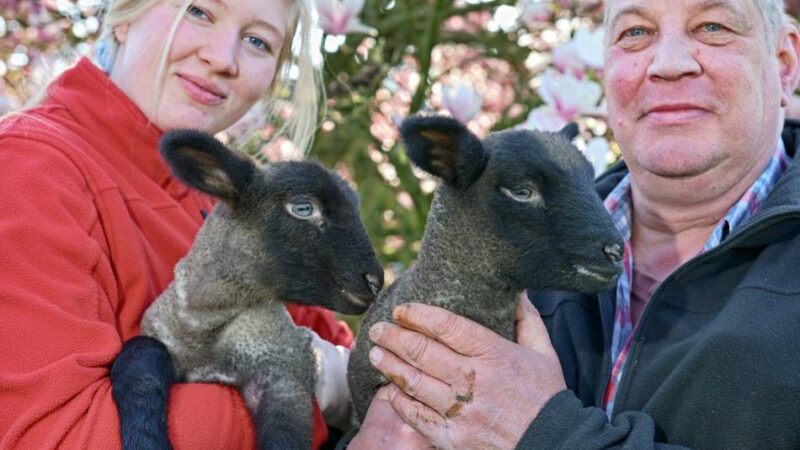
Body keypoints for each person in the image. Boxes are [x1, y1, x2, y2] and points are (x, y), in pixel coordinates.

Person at [348, 0, 800, 448]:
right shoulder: (499, 251)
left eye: (713, 26)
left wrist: (545, 433)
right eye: (635, 32)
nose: (668, 63)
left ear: (784, 64)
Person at [0, 0, 353, 448]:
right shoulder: (28, 171)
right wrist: (303, 387)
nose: (222, 58)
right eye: (199, 11)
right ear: (126, 16)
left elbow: (343, 349)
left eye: (257, 41)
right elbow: (56, 436)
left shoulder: (228, 201)